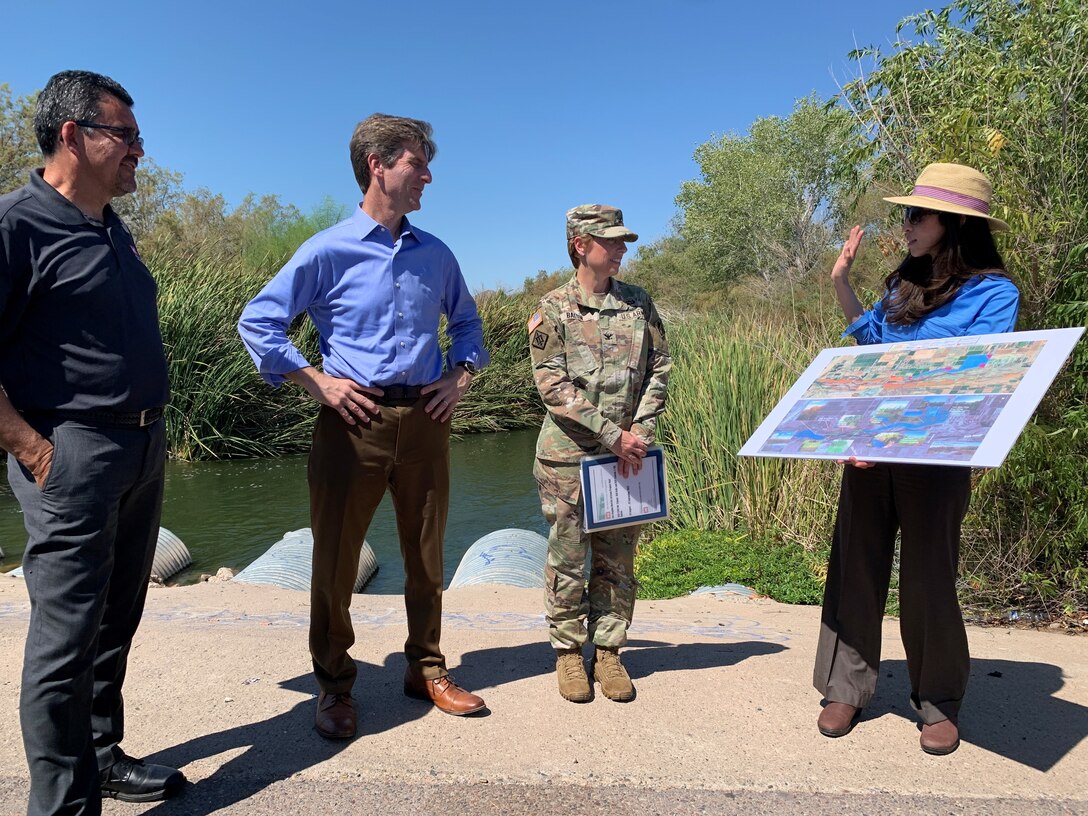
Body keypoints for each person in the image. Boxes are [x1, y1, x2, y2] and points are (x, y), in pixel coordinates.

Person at [238, 113, 489, 740]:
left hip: (426, 420)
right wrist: (316, 381)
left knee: (427, 556)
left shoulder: (437, 253)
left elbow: (469, 327)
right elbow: (259, 322)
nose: (427, 176)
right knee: (335, 561)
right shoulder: (328, 249)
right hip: (353, 423)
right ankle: (333, 685)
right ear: (377, 165)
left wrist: (460, 376)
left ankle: (426, 669)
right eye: (416, 163)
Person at [0, 70, 185, 814]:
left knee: (115, 621)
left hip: (140, 447)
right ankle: (63, 804)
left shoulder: (113, 226)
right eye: (127, 136)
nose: (140, 150)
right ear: (72, 135)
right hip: (71, 451)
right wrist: (32, 448)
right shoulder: (17, 224)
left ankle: (102, 756)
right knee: (65, 640)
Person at [813, 163, 1020, 755]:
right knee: (856, 563)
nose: (905, 225)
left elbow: (974, 374)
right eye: (907, 213)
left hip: (938, 455)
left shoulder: (994, 294)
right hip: (872, 449)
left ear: (953, 224)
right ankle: (845, 689)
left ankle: (938, 703)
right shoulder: (900, 285)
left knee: (930, 578)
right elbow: (871, 351)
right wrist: (841, 281)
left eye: (917, 215)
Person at [529, 205, 671, 703]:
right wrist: (612, 434)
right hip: (569, 459)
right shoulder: (554, 309)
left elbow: (660, 367)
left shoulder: (638, 304)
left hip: (627, 458)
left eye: (622, 240)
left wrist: (641, 432)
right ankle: (569, 654)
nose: (621, 249)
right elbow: (552, 385)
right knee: (568, 557)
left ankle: (609, 651)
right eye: (610, 241)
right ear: (580, 245)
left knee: (617, 559)